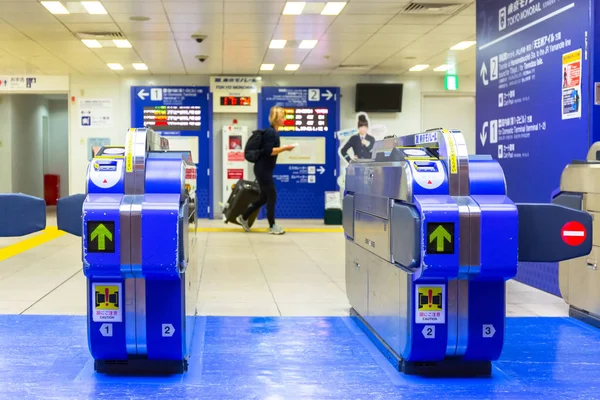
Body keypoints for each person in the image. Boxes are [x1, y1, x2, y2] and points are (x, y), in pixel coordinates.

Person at [237, 106, 295, 235]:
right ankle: (272, 226)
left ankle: (244, 217)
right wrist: (286, 148)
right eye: (282, 117)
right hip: (263, 170)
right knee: (272, 196)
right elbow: (269, 152)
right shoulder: (271, 133)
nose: (284, 119)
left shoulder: (273, 132)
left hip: (264, 169)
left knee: (264, 198)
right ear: (276, 119)